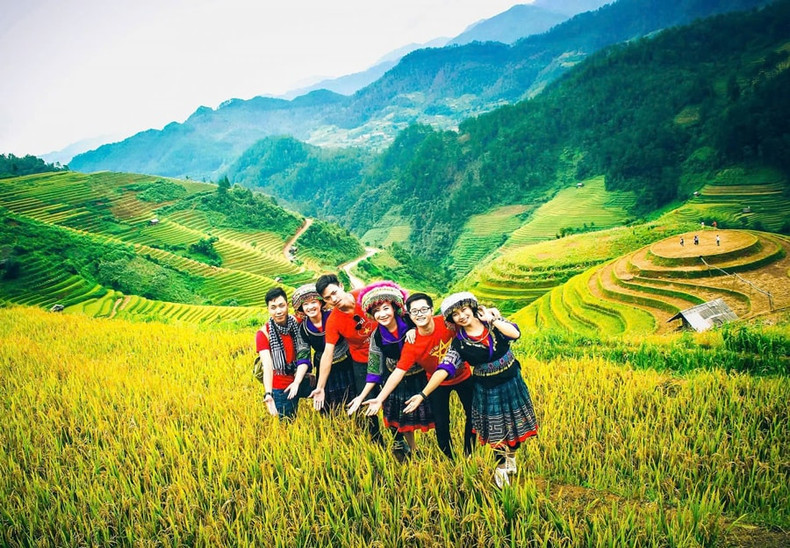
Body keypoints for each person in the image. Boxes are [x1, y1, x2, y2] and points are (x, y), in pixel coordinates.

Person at [422, 292, 537, 488]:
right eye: (455, 314)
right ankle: (501, 467)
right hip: (488, 389)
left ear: (472, 308)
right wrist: (423, 393)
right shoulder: (459, 343)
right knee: (497, 430)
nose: (461, 316)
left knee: (515, 424)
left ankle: (511, 456)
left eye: (464, 309)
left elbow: (515, 334)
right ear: (452, 320)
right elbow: (445, 367)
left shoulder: (493, 323)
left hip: (512, 382)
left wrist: (492, 319)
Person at [364, 292, 475, 460]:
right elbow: (398, 372)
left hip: (463, 376)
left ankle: (469, 453)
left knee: (473, 415)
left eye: (424, 309)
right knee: (441, 423)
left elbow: (471, 321)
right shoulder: (411, 343)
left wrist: (490, 313)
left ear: (431, 309)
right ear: (409, 315)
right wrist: (379, 399)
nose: (420, 314)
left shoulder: (448, 324)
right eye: (415, 311)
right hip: (436, 384)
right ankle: (450, 459)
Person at [349, 281, 434, 461]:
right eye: (377, 311)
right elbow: (374, 369)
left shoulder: (410, 321)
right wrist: (361, 396)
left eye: (386, 308)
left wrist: (415, 329)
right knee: (404, 418)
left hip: (420, 374)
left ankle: (442, 446)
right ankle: (413, 449)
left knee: (432, 412)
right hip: (395, 379)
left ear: (395, 308)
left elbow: (431, 328)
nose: (382, 314)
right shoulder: (377, 336)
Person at [311, 274, 383, 445]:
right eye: (327, 298)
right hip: (362, 362)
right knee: (366, 402)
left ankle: (398, 440)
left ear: (341, 286)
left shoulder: (364, 296)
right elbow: (328, 353)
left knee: (392, 397)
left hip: (385, 353)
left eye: (334, 293)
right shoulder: (334, 321)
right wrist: (320, 387)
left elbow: (395, 303)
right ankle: (376, 441)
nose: (333, 299)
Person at [292, 284, 355, 414]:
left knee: (353, 399)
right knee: (329, 407)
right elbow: (303, 355)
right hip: (324, 368)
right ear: (301, 308)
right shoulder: (303, 329)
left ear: (321, 303)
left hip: (346, 362)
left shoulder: (335, 316)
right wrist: (297, 381)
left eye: (313, 302)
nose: (310, 307)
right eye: (305, 304)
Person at [256, 287, 312, 420]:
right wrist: (268, 393)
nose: (278, 311)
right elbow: (267, 366)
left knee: (327, 404)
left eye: (281, 306)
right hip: (281, 387)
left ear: (287, 305)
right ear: (268, 309)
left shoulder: (298, 323)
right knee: (288, 424)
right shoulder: (263, 334)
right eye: (273, 307)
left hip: (302, 377)